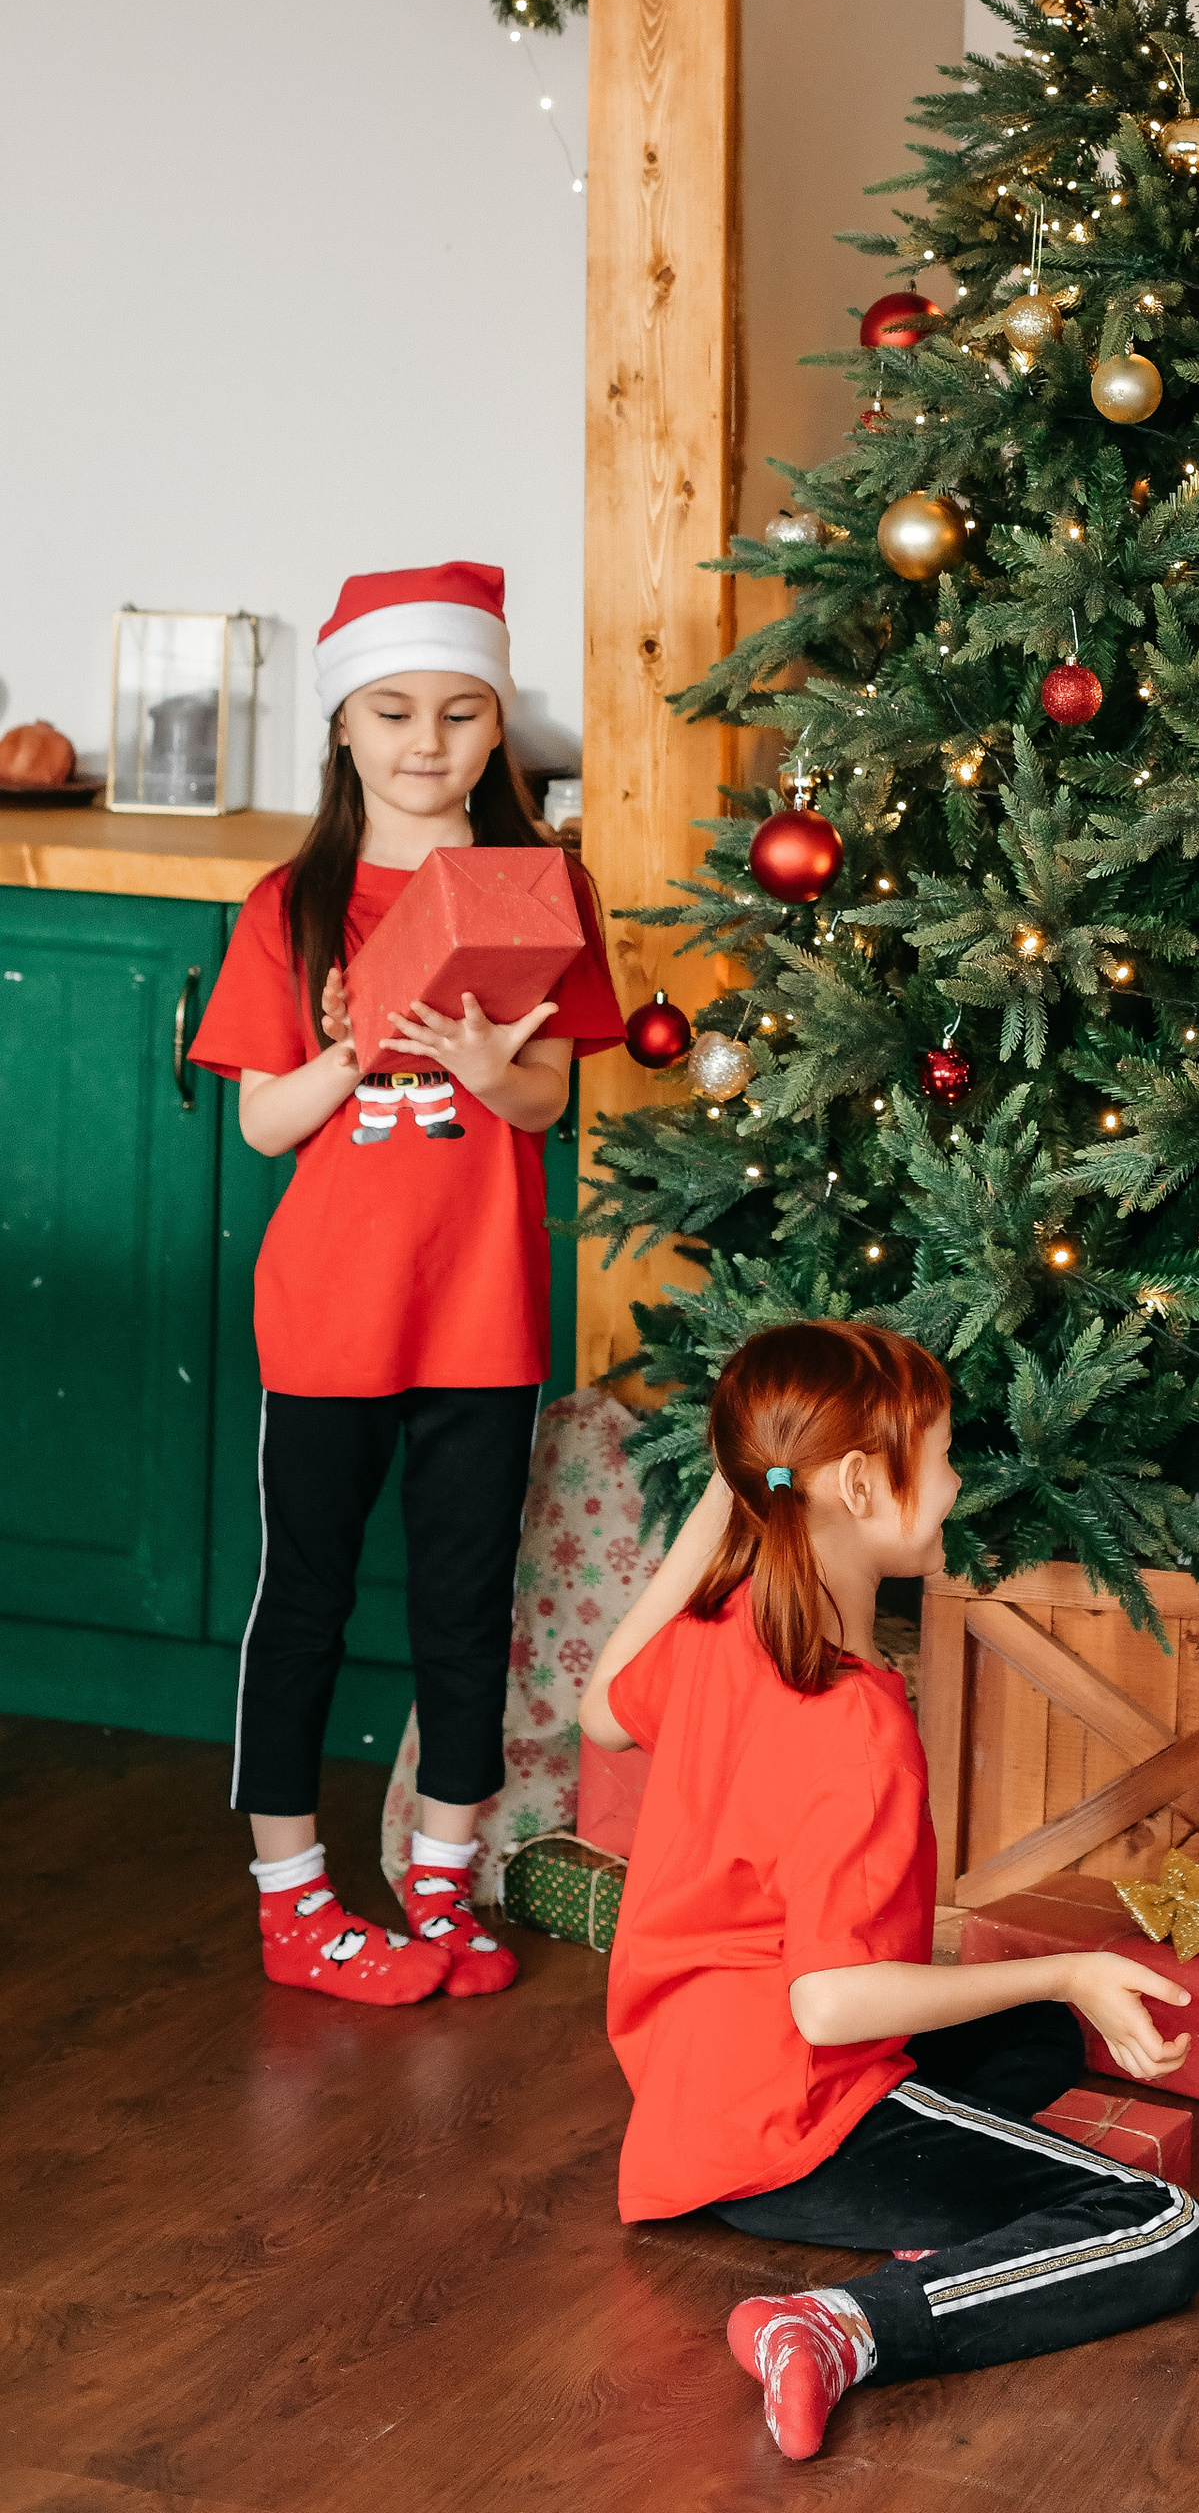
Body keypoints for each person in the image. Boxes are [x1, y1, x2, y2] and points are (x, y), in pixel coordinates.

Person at [581, 1319, 1199, 2464]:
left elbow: (598, 1710)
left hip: (687, 2087)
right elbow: (827, 2004)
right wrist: (1071, 1959)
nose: (962, 1478)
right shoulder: (854, 1723)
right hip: (788, 2121)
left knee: (1035, 2036)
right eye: (946, 1452)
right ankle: (838, 2327)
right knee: (1159, 2226)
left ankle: (927, 2219)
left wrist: (735, 1495)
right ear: (864, 1485)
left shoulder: (719, 1635)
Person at [188, 560, 627, 2004]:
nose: (425, 741)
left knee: (465, 1604)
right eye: (393, 712)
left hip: (483, 1311)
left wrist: (494, 1067)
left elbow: (549, 1101)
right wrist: (351, 1051)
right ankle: (293, 1899)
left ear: (498, 729)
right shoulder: (290, 899)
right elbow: (260, 1121)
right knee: (303, 1596)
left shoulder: (544, 888)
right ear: (344, 727)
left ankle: (445, 1877)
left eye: (458, 712)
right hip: (328, 1314)